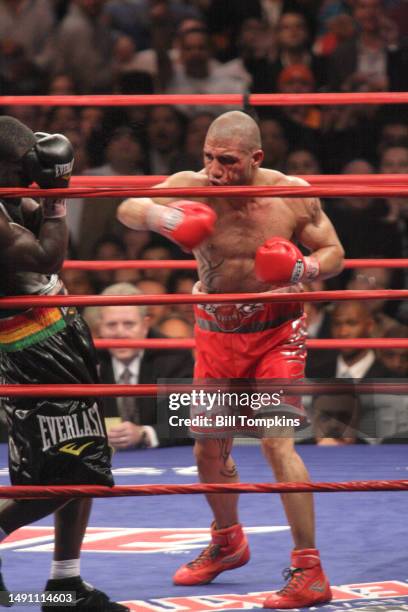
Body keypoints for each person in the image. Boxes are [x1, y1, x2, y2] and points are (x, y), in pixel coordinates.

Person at [117, 110, 345, 609]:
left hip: (276, 330)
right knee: (206, 450)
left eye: (227, 160)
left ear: (256, 158)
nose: (215, 170)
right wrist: (164, 217)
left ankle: (309, 569)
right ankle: (228, 541)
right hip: (217, 330)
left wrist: (303, 266)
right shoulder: (190, 185)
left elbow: (334, 251)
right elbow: (127, 208)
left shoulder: (290, 192)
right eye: (208, 158)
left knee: (275, 442)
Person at [0, 116, 128, 612]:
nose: (32, 170)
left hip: (57, 333)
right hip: (36, 348)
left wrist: (45, 193)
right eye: (23, 165)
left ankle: (65, 583)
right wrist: (58, 197)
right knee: (71, 471)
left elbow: (42, 233)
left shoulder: (13, 195)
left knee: (83, 458)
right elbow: (49, 255)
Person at [96, 283, 194, 449]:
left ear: (145, 325)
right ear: (100, 327)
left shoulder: (173, 356)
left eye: (129, 324)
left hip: (163, 458)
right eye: (111, 325)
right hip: (105, 457)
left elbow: (186, 422)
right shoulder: (89, 358)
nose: (120, 333)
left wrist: (144, 433)